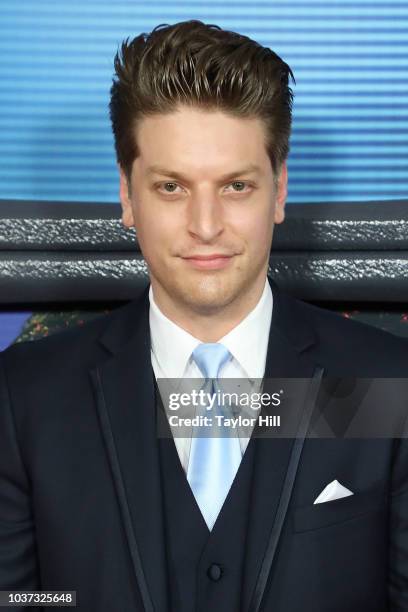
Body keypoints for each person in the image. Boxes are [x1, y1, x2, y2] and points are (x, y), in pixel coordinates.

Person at [0, 19, 407, 612]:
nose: (206, 225)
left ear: (280, 190)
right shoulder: (24, 397)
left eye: (237, 186)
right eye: (171, 187)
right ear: (126, 196)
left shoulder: (388, 385)